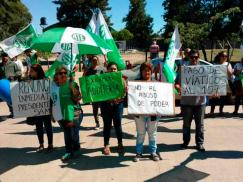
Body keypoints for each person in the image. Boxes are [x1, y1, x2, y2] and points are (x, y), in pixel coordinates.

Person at [175, 50, 206, 152]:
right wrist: (178, 88)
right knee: (186, 124)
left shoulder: (204, 70)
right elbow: (177, 83)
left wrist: (214, 91)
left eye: (196, 57)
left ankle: (200, 143)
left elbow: (209, 84)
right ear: (188, 57)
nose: (194, 59)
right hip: (186, 103)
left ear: (198, 58)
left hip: (200, 102)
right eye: (192, 57)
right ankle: (185, 142)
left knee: (200, 125)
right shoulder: (183, 69)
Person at [51, 65, 82, 161]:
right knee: (68, 133)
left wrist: (73, 89)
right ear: (56, 75)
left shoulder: (71, 84)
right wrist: (52, 114)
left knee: (73, 133)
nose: (63, 74)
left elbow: (78, 98)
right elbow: (52, 101)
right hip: (61, 114)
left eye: (65, 73)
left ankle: (73, 148)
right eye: (61, 73)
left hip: (75, 113)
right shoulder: (53, 87)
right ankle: (70, 150)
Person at [133, 62, 160, 162]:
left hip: (152, 114)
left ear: (151, 71)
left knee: (152, 133)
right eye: (144, 70)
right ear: (141, 71)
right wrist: (128, 90)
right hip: (139, 114)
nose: (147, 72)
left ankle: (153, 152)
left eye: (149, 70)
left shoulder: (156, 84)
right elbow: (131, 97)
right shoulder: (135, 83)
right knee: (140, 133)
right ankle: (139, 152)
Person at [100, 62, 126, 155]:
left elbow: (124, 93)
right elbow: (99, 93)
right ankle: (106, 145)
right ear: (107, 70)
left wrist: (118, 100)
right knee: (107, 125)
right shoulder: (102, 80)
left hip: (117, 106)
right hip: (105, 106)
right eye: (111, 68)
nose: (113, 70)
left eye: (115, 69)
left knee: (118, 125)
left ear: (117, 70)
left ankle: (120, 144)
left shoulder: (122, 80)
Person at [28, 64, 53, 152]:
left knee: (48, 126)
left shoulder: (46, 80)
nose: (30, 72)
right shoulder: (30, 81)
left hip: (45, 107)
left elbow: (51, 95)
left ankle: (50, 144)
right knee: (38, 126)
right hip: (36, 108)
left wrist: (51, 108)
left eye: (31, 71)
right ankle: (41, 144)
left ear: (37, 72)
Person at [83, 56, 105, 129]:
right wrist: (85, 73)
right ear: (91, 61)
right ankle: (97, 123)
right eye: (93, 60)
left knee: (104, 109)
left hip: (101, 92)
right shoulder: (89, 70)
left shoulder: (102, 69)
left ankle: (106, 123)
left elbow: (106, 78)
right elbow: (84, 80)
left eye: (96, 60)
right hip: (93, 93)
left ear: (98, 61)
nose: (94, 61)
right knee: (95, 109)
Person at [209, 51, 234, 115]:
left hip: (224, 83)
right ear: (220, 57)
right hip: (216, 83)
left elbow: (230, 74)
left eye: (226, 56)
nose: (225, 57)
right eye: (223, 56)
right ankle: (212, 111)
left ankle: (221, 111)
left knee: (222, 98)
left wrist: (227, 69)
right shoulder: (215, 64)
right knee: (214, 98)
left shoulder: (228, 64)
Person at [0, 52, 21, 117]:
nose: (4, 57)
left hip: (13, 83)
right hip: (4, 85)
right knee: (7, 99)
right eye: (3, 56)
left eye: (5, 56)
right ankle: (12, 112)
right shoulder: (0, 65)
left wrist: (14, 76)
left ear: (8, 57)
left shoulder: (13, 64)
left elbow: (19, 72)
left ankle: (17, 112)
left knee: (14, 98)